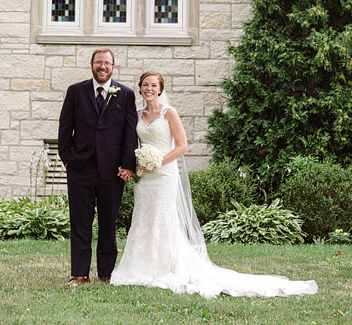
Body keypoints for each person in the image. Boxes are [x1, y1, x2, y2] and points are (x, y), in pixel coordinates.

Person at [110, 71, 318, 298]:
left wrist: (158, 162)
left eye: (153, 85)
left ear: (160, 89)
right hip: (145, 177)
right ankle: (142, 266)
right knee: (144, 217)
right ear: (140, 88)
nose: (149, 89)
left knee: (163, 217)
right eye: (145, 85)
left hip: (164, 175)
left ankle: (165, 267)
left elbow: (182, 146)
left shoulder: (170, 113)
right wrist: (134, 164)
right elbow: (130, 143)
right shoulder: (138, 115)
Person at [58, 48, 138, 285]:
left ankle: (106, 274)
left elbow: (129, 132)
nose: (102, 67)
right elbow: (65, 126)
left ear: (113, 66)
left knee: (108, 223)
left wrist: (127, 164)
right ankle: (80, 274)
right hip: (80, 168)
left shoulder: (126, 94)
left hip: (112, 170)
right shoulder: (75, 91)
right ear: (91, 64)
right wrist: (67, 158)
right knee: (80, 222)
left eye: (107, 63)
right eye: (98, 63)